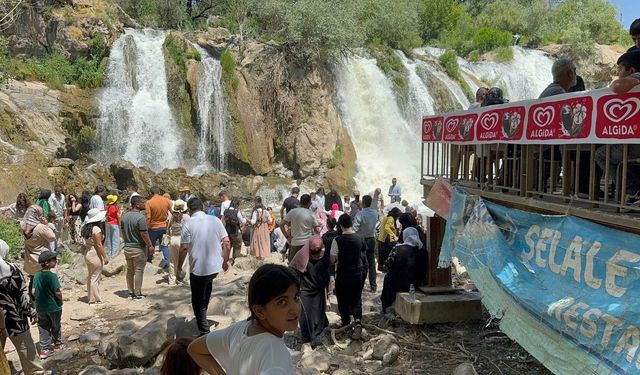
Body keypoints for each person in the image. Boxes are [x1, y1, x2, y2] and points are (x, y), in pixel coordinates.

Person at [187, 264, 299, 374]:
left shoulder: (241, 329)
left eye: (296, 297)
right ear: (260, 311)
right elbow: (194, 349)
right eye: (282, 302)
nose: (295, 309)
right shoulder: (275, 354)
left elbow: (195, 348)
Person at [179, 198, 231, 336]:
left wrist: (179, 268)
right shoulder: (215, 220)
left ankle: (204, 332)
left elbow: (184, 247)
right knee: (206, 289)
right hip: (214, 267)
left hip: (198, 268)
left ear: (189, 210)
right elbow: (226, 242)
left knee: (197, 300)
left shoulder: (188, 223)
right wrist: (226, 261)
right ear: (202, 207)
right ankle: (203, 317)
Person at [596, 51, 640, 203]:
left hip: (635, 145)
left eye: (620, 69)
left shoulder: (636, 78)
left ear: (632, 70)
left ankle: (632, 191)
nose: (618, 73)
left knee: (601, 154)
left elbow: (617, 86)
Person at [0, 240, 45, 375]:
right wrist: (32, 312)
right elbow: (22, 296)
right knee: (28, 356)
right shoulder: (11, 269)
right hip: (15, 320)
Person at [330, 214, 366, 338]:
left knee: (343, 299)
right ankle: (357, 322)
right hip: (357, 273)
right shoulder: (360, 238)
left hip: (342, 274)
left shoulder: (337, 240)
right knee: (356, 298)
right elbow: (363, 252)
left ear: (340, 225)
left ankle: (345, 324)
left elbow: (333, 259)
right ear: (351, 223)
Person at [290, 236, 329, 344]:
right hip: (305, 291)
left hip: (318, 290)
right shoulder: (302, 256)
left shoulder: (322, 256)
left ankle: (317, 335)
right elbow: (293, 273)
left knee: (317, 313)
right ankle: (307, 338)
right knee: (306, 315)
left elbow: (327, 273)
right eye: (313, 251)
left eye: (317, 251)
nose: (315, 253)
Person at [381, 227, 426, 314]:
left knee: (388, 278)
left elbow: (386, 266)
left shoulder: (397, 249)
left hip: (396, 284)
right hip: (415, 284)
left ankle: (386, 309)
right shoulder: (423, 251)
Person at [121, 195, 154, 300]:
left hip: (127, 247)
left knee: (130, 270)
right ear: (136, 204)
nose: (144, 204)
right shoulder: (141, 218)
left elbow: (122, 231)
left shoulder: (125, 216)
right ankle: (138, 293)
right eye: (142, 202)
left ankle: (130, 293)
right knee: (139, 270)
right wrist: (150, 245)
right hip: (138, 248)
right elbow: (144, 233)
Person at [32, 251, 63, 359]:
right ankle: (57, 344)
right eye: (54, 259)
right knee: (56, 325)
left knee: (43, 326)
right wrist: (61, 300)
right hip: (53, 306)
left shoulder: (36, 275)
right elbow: (57, 292)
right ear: (47, 263)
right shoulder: (52, 276)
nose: (56, 261)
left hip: (41, 307)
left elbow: (33, 291)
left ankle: (44, 350)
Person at [22, 206, 56, 288]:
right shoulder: (40, 227)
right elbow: (52, 238)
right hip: (42, 259)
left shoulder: (24, 227)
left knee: (33, 280)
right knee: (43, 283)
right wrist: (46, 225)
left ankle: (32, 299)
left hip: (30, 259)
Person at [82, 208, 109, 304]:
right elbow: (98, 244)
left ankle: (91, 296)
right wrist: (105, 256)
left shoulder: (86, 228)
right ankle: (95, 298)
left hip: (88, 253)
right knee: (95, 277)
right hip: (94, 254)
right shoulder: (96, 229)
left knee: (91, 276)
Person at [282, 194, 319, 262]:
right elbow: (317, 230)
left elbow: (281, 224)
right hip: (307, 244)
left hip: (295, 243)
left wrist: (287, 236)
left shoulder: (292, 212)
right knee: (306, 264)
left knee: (292, 265)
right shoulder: (311, 214)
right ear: (308, 203)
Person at [353, 195, 378, 292]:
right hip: (371, 239)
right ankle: (373, 286)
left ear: (363, 202)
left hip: (361, 240)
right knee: (371, 264)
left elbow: (355, 228)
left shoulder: (360, 214)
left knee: (360, 263)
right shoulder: (375, 213)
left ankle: (360, 284)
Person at [145, 186, 172, 267]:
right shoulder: (167, 200)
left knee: (150, 245)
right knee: (164, 245)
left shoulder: (149, 202)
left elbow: (148, 217)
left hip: (153, 228)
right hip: (164, 226)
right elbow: (173, 212)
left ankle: (149, 261)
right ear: (159, 192)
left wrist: (146, 228)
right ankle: (167, 262)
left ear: (151, 193)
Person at [167, 200, 190, 286]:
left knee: (172, 261)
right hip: (182, 239)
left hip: (173, 239)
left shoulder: (171, 216)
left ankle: (172, 280)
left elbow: (168, 229)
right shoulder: (186, 217)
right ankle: (183, 279)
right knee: (184, 260)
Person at [377, 207, 400, 272]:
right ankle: (386, 268)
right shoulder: (391, 218)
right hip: (385, 239)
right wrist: (394, 236)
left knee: (382, 255)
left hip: (382, 238)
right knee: (386, 254)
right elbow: (387, 228)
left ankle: (382, 268)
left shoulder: (387, 217)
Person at [250, 196, 272, 261]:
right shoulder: (265, 211)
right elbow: (270, 221)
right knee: (264, 241)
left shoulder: (255, 211)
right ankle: (263, 257)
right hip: (265, 229)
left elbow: (253, 222)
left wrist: (247, 220)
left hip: (257, 228)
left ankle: (258, 256)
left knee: (257, 241)